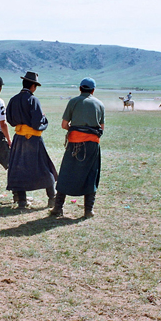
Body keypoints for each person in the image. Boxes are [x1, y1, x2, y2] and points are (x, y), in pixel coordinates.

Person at [50, 77, 105, 218]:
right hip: (92, 145)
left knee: (66, 173)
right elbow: (101, 128)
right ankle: (88, 210)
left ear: (80, 89)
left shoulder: (73, 102)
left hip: (74, 145)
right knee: (91, 174)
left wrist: (75, 130)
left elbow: (64, 125)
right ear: (93, 90)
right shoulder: (100, 104)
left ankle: (57, 208)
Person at [6, 71, 57, 209]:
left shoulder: (13, 99)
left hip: (19, 139)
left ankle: (22, 201)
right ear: (33, 86)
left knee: (18, 168)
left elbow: (9, 120)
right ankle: (52, 198)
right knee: (44, 167)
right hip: (33, 140)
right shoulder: (33, 100)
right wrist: (44, 119)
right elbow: (37, 123)